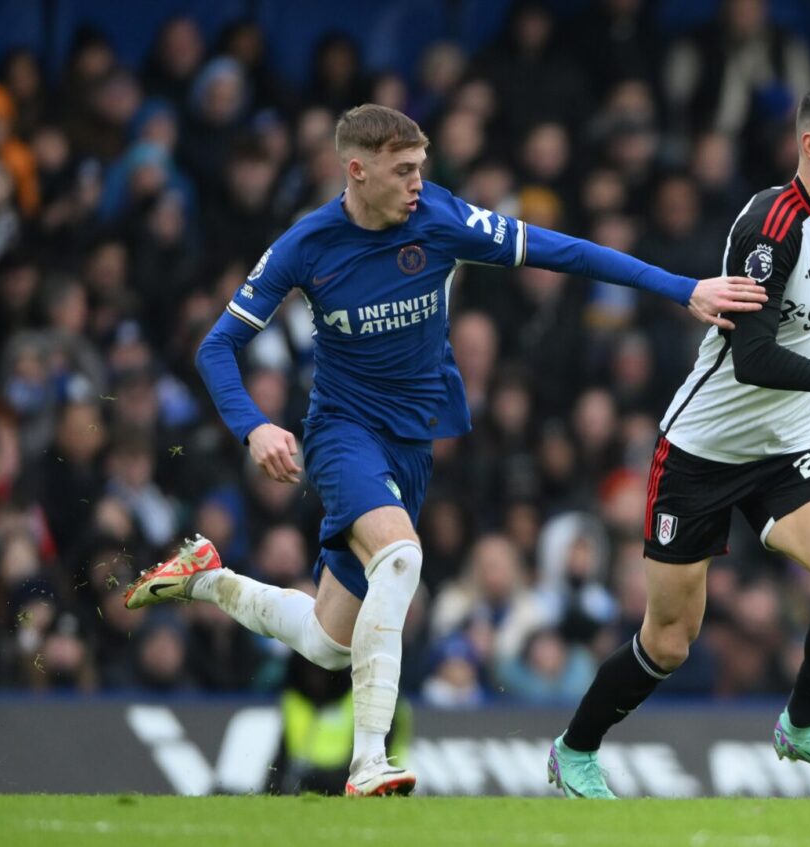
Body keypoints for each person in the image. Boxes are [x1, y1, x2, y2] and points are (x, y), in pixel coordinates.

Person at [123, 103, 766, 797]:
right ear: (356, 170)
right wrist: (254, 425)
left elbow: (566, 250)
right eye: (402, 171)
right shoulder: (305, 246)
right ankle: (369, 761)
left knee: (327, 641)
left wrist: (683, 288)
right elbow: (216, 346)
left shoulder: (441, 217)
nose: (415, 184)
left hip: (411, 444)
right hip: (342, 434)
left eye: (421, 169)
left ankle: (206, 578)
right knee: (402, 559)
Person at [547, 82, 810, 799]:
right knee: (668, 639)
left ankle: (804, 724)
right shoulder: (768, 225)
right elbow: (752, 359)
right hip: (700, 451)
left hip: (786, 448)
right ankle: (574, 749)